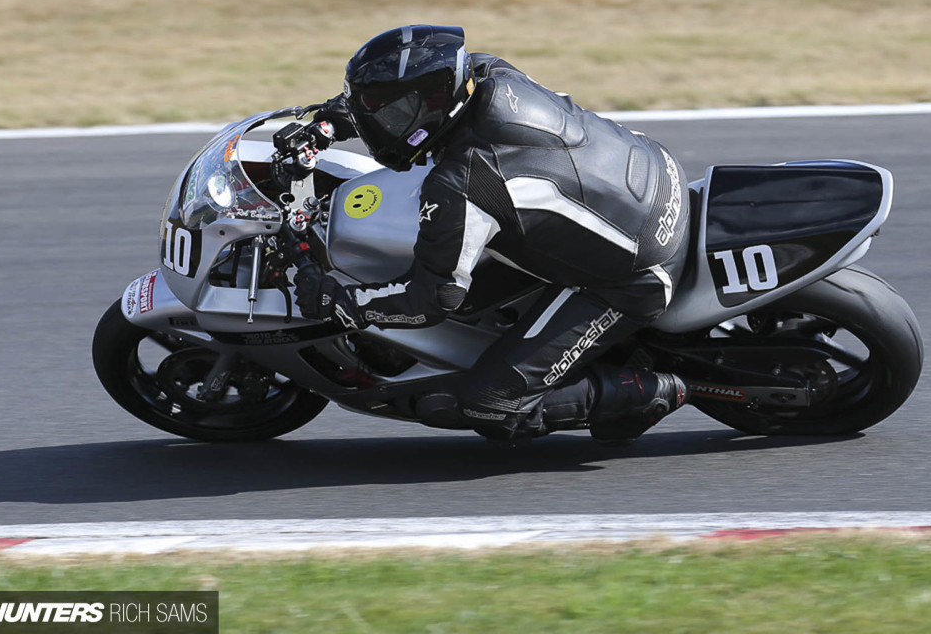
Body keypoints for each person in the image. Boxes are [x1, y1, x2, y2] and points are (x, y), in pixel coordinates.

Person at [290, 24, 691, 444]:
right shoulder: (487, 73)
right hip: (655, 173)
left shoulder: (463, 183)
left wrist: (342, 303)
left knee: (492, 405)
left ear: (431, 105)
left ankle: (649, 391)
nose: (382, 123)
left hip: (636, 275)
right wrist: (333, 121)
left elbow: (434, 299)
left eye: (391, 113)